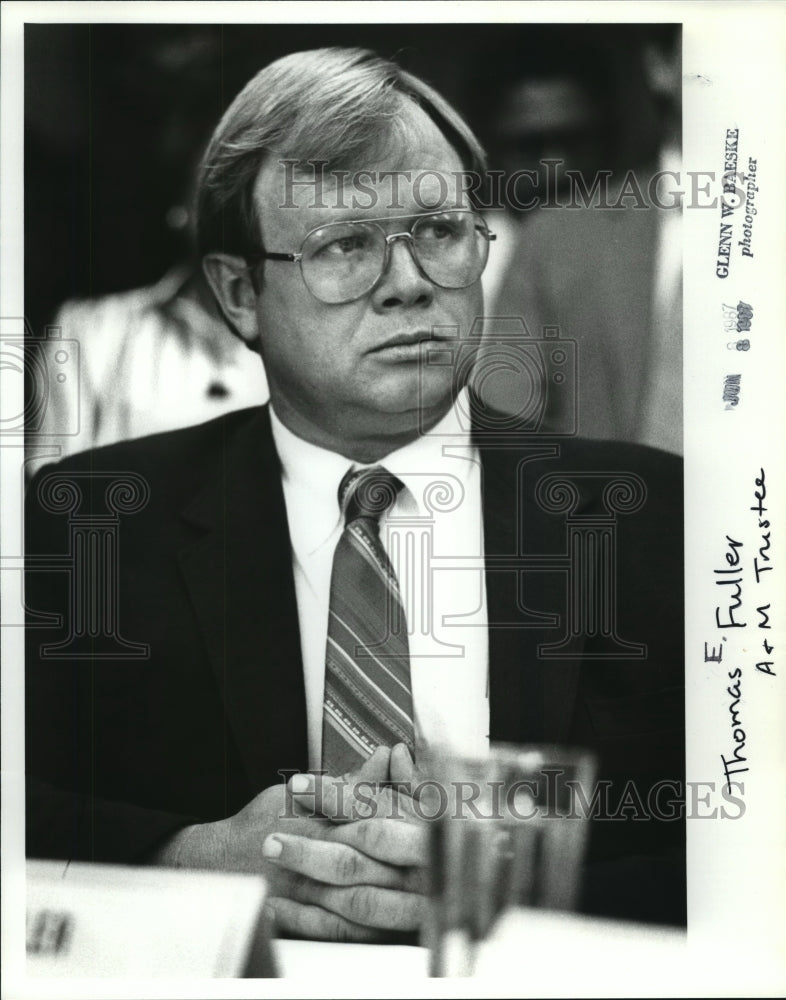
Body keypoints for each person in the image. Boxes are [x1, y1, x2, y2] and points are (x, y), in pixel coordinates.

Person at [25, 48, 685, 942]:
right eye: (345, 247)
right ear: (239, 293)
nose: (409, 282)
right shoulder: (98, 522)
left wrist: (520, 887)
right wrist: (191, 856)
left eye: (440, 232)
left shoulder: (648, 515)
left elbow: (752, 842)